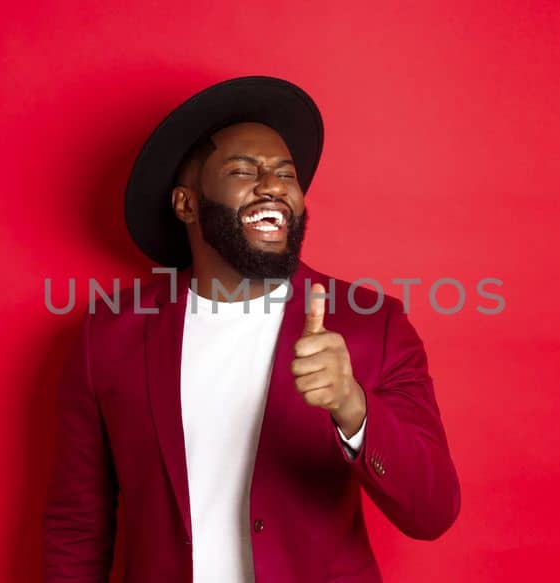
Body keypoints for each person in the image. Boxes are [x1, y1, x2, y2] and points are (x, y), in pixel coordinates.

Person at [44, 76, 459, 582]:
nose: (274, 185)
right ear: (187, 204)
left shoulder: (374, 324)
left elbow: (433, 511)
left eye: (286, 174)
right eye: (244, 170)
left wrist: (353, 408)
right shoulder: (109, 335)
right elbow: (79, 526)